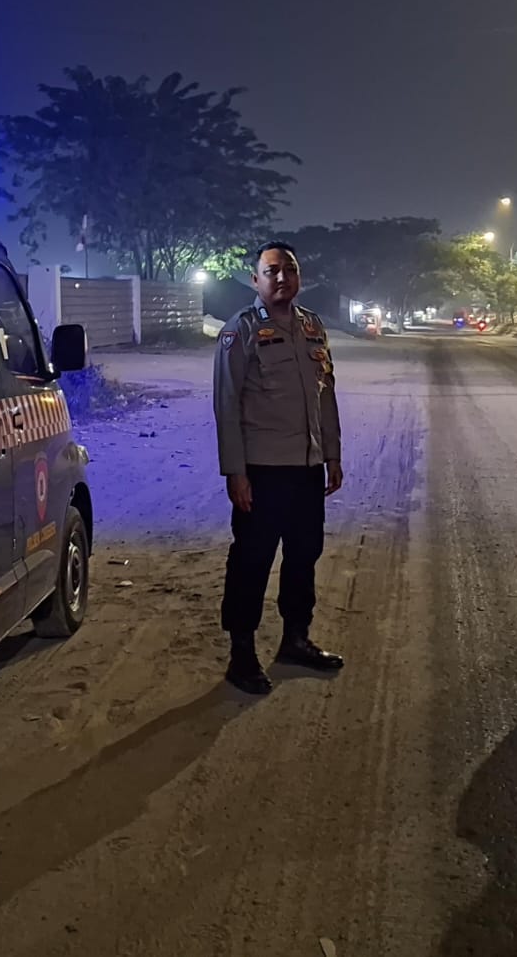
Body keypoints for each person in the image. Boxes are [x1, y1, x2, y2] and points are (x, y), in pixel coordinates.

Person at [212, 240, 346, 694]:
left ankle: (296, 638)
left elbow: (326, 396)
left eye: (289, 269)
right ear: (255, 280)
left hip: (307, 468)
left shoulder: (312, 327)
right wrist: (236, 472)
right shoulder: (240, 331)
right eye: (272, 271)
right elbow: (227, 405)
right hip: (262, 471)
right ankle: (242, 653)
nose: (282, 277)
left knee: (304, 555)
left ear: (299, 276)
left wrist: (332, 454)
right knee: (252, 561)